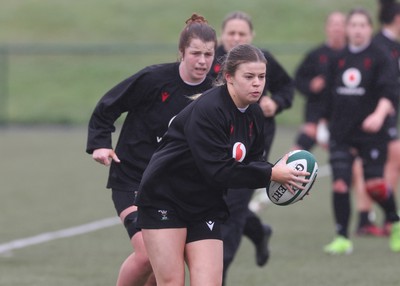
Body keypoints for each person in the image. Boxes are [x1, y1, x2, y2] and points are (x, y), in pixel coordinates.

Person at [135, 43, 310, 286]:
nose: (257, 83)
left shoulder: (255, 115)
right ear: (229, 77)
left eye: (261, 77)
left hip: (205, 204)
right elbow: (218, 170)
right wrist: (272, 173)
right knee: (172, 282)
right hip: (164, 198)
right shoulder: (209, 109)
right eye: (249, 77)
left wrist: (287, 180)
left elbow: (252, 163)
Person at [86, 13, 217, 286]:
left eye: (209, 54)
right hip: (133, 178)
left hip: (176, 188)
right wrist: (100, 144)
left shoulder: (216, 91)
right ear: (181, 52)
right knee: (147, 254)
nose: (203, 61)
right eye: (195, 53)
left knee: (165, 263)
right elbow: (107, 107)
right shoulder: (153, 79)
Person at [209, 11, 294, 282]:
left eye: (242, 34)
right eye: (231, 33)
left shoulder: (261, 59)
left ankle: (218, 273)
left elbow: (286, 87)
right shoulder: (208, 60)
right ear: (222, 35)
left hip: (251, 141)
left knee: (233, 204)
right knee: (213, 199)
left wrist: (276, 102)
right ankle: (258, 231)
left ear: (251, 37)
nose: (236, 38)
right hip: (214, 141)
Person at [322, 8, 400, 255]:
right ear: (347, 29)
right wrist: (324, 124)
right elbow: (327, 96)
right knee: (341, 184)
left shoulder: (380, 56)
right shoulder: (338, 58)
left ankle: (394, 221)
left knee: (374, 185)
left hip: (371, 134)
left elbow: (390, 92)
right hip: (342, 133)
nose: (357, 30)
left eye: (362, 25)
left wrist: (378, 115)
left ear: (369, 28)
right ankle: (342, 237)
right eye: (353, 25)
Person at [354, 0, 400, 236]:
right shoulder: (380, 46)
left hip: (387, 113)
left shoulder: (393, 46)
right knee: (384, 164)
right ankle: (379, 218)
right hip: (375, 117)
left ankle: (374, 217)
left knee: (387, 165)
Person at [293, 11, 346, 151]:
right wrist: (310, 85)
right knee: (297, 152)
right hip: (316, 116)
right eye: (334, 24)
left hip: (344, 117)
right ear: (327, 28)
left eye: (341, 24)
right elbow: (298, 79)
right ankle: (281, 171)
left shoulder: (352, 55)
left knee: (346, 160)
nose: (337, 28)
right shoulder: (316, 55)